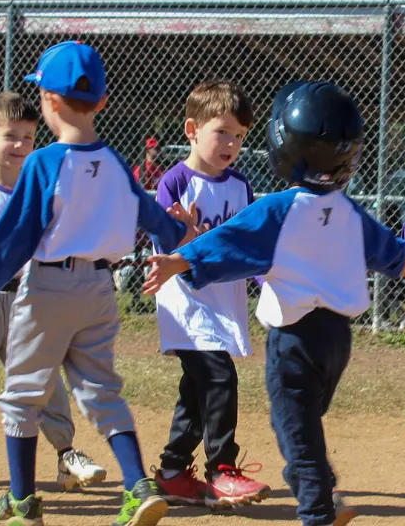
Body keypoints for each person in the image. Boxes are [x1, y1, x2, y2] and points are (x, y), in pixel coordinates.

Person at [144, 81, 405, 526]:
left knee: (295, 433)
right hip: (336, 343)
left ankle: (318, 513)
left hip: (294, 342)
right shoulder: (347, 209)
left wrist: (177, 261)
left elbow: (227, 242)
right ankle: (322, 488)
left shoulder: (278, 208)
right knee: (305, 423)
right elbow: (386, 249)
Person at [0, 41, 198, 526]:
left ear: (48, 102)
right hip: (100, 292)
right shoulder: (117, 163)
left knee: (21, 394)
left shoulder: (44, 162)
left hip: (50, 288)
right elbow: (156, 220)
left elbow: (12, 240)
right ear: (102, 101)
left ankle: (20, 503)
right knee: (101, 391)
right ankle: (138, 486)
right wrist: (184, 231)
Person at [0, 91, 106, 492]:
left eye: (28, 137)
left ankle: (66, 454)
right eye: (10, 136)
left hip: (30, 299)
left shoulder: (39, 191)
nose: (20, 145)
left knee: (45, 382)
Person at [149, 80, 271, 509]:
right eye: (222, 131)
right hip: (187, 306)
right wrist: (187, 230)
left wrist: (269, 285)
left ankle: (171, 470)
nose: (232, 143)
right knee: (219, 378)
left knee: (196, 389)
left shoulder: (239, 185)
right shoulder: (174, 181)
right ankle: (222, 470)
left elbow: (251, 245)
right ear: (192, 129)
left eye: (239, 135)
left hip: (224, 304)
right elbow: (171, 250)